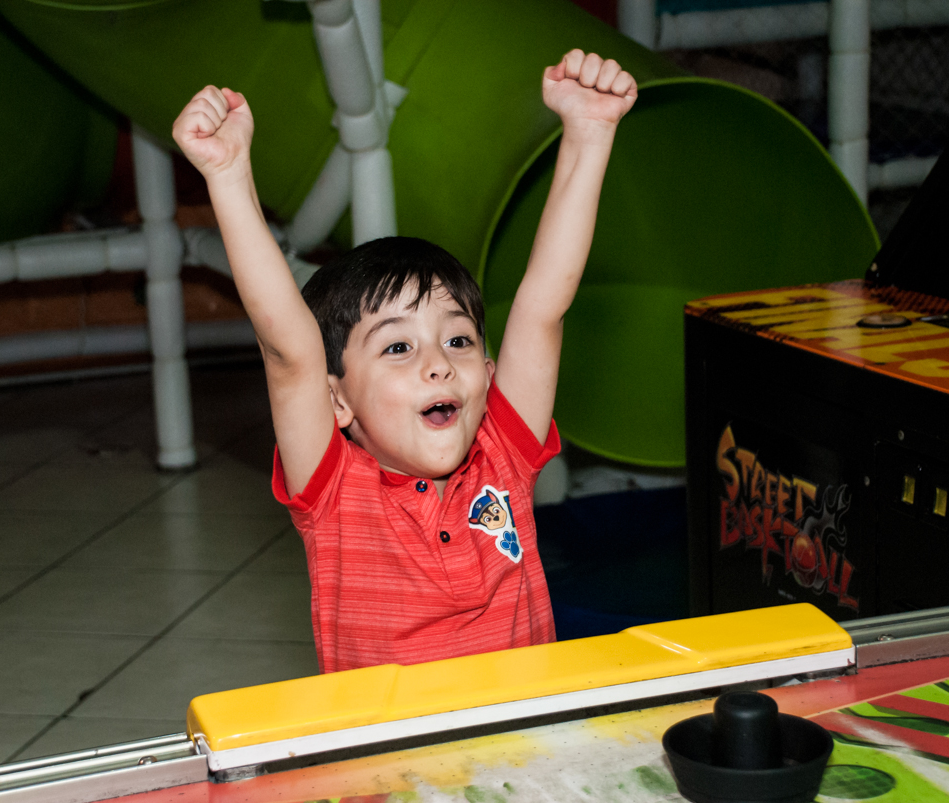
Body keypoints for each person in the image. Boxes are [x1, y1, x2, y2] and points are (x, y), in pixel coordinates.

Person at [172, 50, 637, 673]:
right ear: (337, 401)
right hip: (387, 768)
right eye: (398, 346)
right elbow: (290, 351)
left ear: (490, 372)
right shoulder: (335, 493)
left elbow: (542, 307)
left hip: (527, 756)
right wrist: (229, 177)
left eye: (459, 340)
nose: (439, 364)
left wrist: (589, 133)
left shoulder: (503, 451)